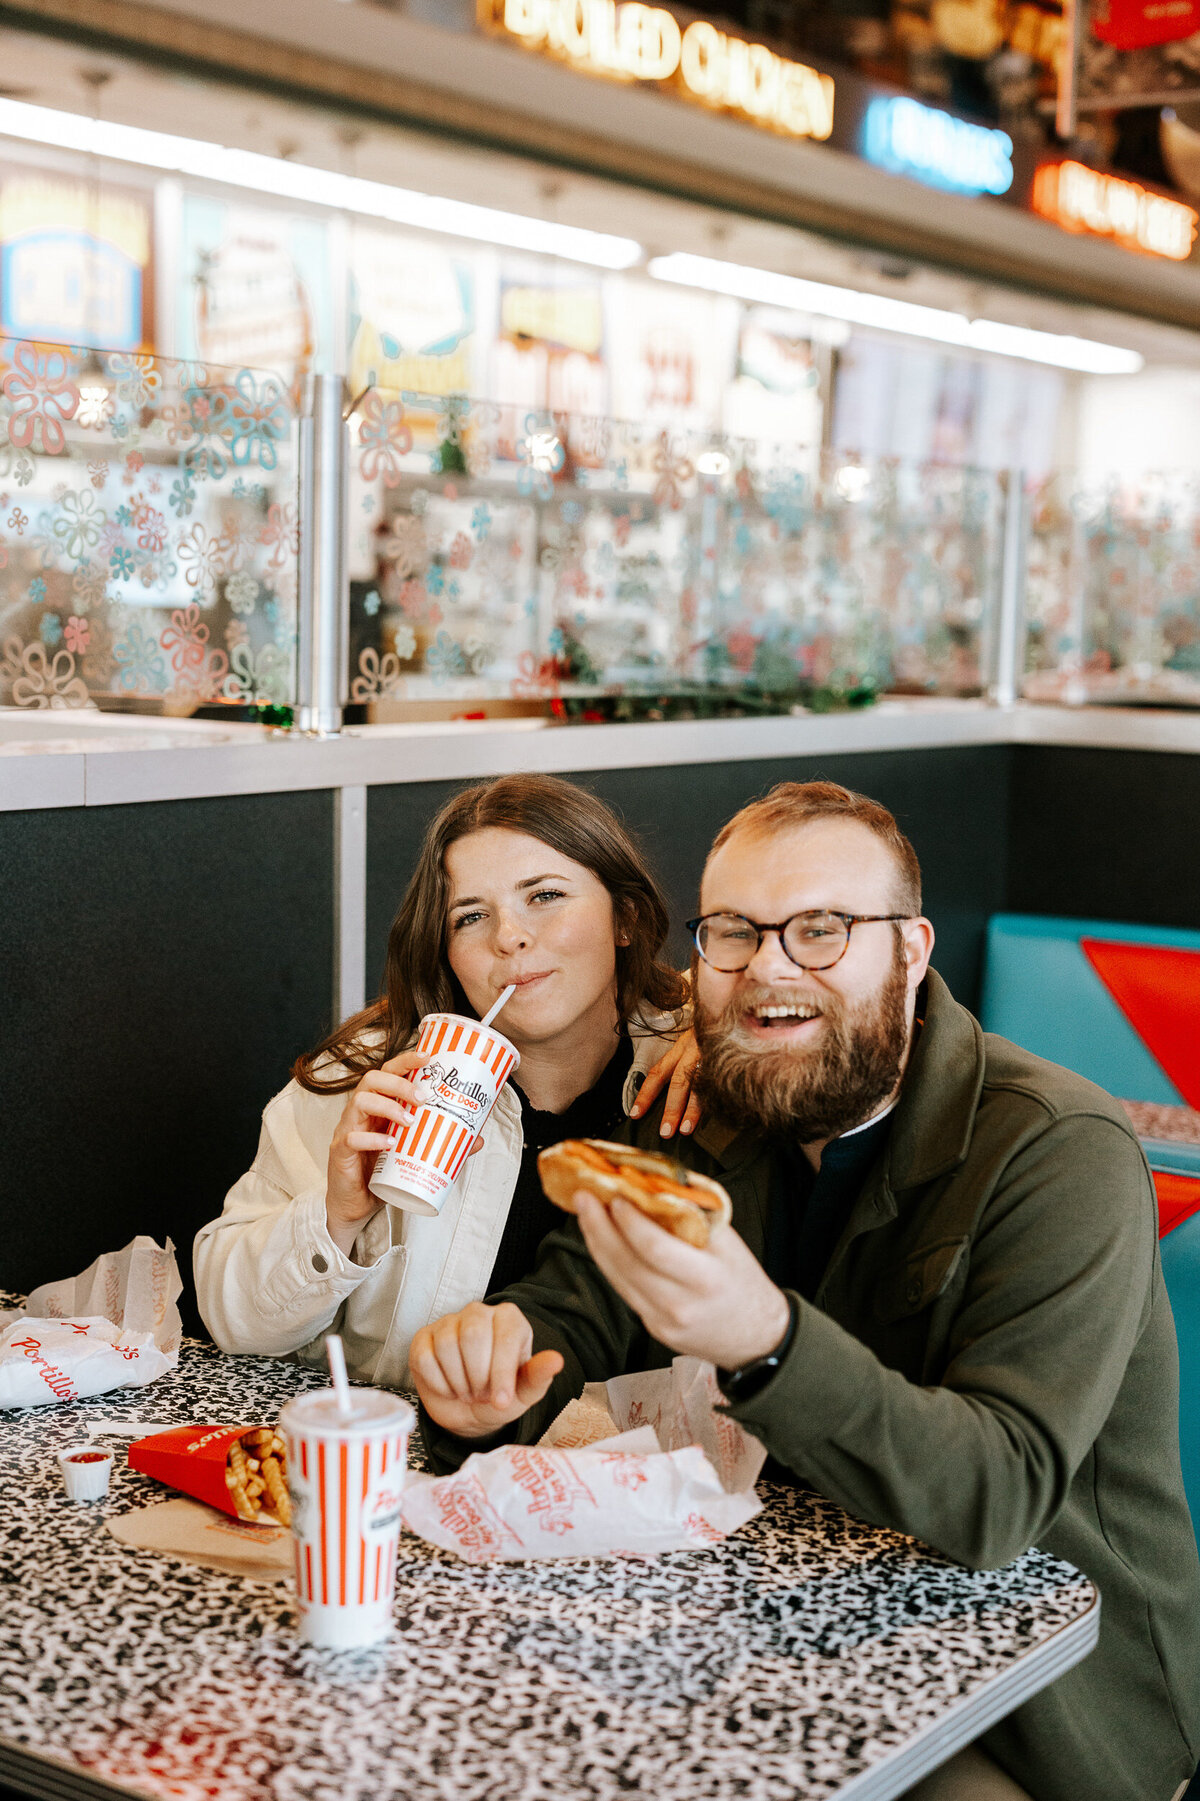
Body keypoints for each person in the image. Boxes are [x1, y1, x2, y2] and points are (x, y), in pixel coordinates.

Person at [412, 780, 1200, 1801]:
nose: (769, 969)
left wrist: (768, 1341)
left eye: (821, 929)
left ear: (911, 953)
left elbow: (997, 1495)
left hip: (1042, 1700)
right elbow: (584, 1295)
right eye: (734, 932)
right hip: (776, 1628)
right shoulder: (720, 1100)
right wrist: (501, 1364)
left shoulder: (1056, 1148)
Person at [194, 773, 700, 1387]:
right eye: (470, 916)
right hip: (416, 1454)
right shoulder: (367, 1080)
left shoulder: (695, 1060)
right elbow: (232, 1319)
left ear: (625, 917)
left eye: (544, 896)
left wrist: (726, 1037)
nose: (508, 936)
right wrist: (336, 1215)